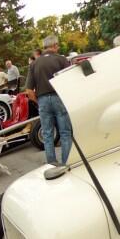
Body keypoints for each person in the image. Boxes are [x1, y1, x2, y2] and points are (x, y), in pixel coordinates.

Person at [25, 35, 72, 165]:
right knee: (65, 132)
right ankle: (66, 162)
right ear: (55, 45)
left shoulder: (34, 64)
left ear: (44, 47)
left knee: (47, 134)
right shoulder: (61, 60)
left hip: (43, 100)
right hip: (59, 98)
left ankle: (52, 163)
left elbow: (29, 91)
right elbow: (70, 82)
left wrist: (39, 101)